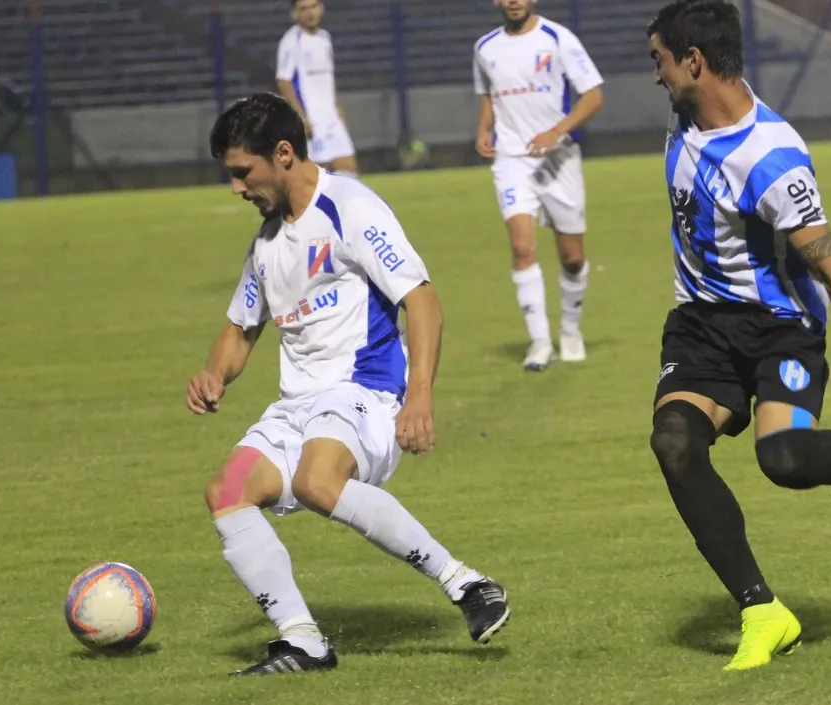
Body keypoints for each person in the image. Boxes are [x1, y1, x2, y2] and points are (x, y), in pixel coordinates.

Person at [645, 0, 831, 672]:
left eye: (660, 61)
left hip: (780, 328)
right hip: (700, 324)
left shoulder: (774, 163)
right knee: (674, 442)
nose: (655, 76)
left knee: (782, 459)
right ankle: (763, 611)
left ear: (694, 62)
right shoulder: (686, 109)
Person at [188, 93, 510, 676]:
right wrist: (216, 373)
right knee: (227, 491)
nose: (236, 188)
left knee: (317, 481)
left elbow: (423, 302)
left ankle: (465, 583)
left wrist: (420, 397)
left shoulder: (351, 208)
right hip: (297, 405)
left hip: (365, 391)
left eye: (242, 172)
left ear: (282, 154)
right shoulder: (266, 242)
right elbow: (239, 330)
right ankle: (303, 640)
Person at [472, 0, 604, 370]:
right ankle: (540, 342)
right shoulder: (485, 48)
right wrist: (483, 129)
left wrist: (556, 132)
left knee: (572, 258)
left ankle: (570, 329)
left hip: (558, 158)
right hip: (512, 159)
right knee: (522, 246)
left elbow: (593, 94)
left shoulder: (558, 39)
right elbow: (489, 96)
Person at [275, 0, 359, 177]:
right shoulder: (292, 41)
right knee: (319, 173)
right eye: (303, 9)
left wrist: (338, 108)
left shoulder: (324, 38)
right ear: (294, 14)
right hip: (312, 119)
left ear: (321, 8)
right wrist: (300, 116)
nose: (310, 13)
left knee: (349, 168)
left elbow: (328, 78)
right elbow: (284, 81)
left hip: (331, 117)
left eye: (313, 6)